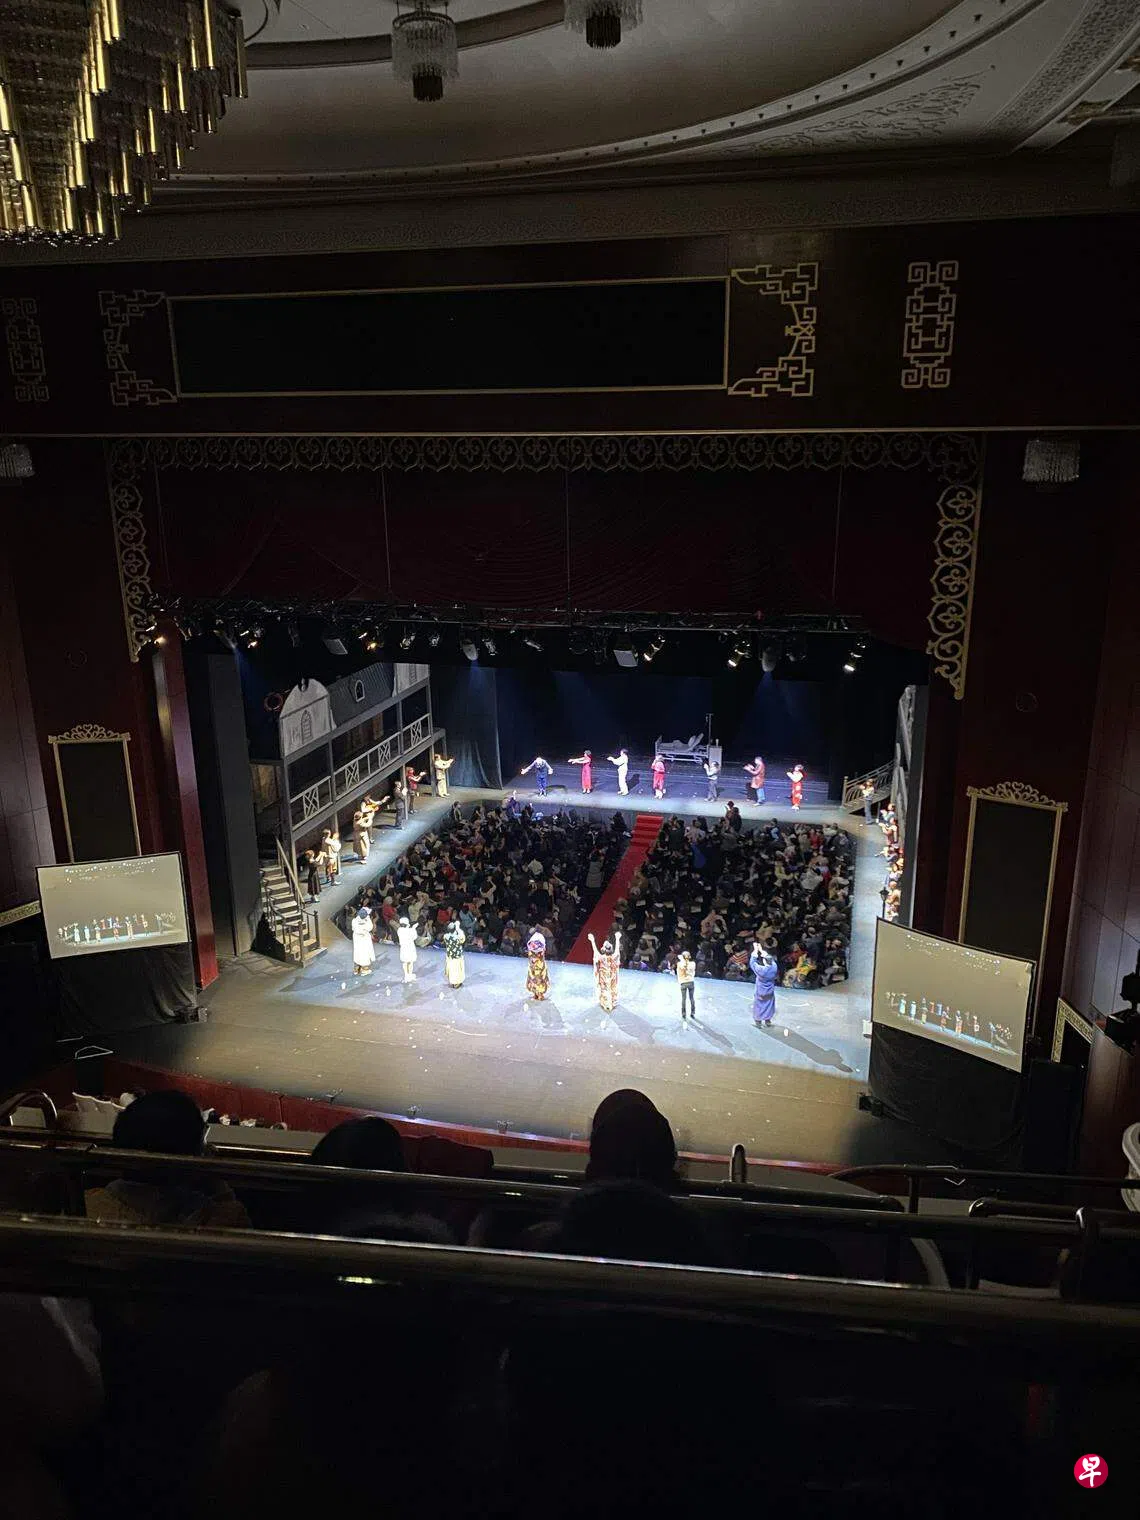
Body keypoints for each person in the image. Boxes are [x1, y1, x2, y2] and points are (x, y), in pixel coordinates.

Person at [84, 1090, 250, 1228]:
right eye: (202, 1139)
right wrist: (213, 1176)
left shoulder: (86, 1206)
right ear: (192, 1156)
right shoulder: (223, 1219)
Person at [587, 929, 622, 1012]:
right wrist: (617, 938)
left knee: (604, 989)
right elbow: (617, 950)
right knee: (611, 988)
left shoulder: (601, 958)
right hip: (611, 978)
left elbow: (595, 950)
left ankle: (606, 1003)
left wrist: (592, 940)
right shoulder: (614, 957)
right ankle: (611, 1002)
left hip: (605, 978)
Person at [749, 942, 778, 1026]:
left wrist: (755, 950)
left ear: (764, 961)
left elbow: (752, 962)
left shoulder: (761, 970)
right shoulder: (774, 967)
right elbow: (770, 959)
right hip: (770, 990)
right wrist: (761, 950)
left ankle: (758, 1020)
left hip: (761, 991)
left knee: (759, 1005)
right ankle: (767, 1020)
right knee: (769, 1005)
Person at [350, 906, 376, 975]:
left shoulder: (354, 920)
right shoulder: (367, 921)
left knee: (358, 952)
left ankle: (357, 969)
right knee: (365, 953)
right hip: (364, 939)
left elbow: (354, 928)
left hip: (357, 939)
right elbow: (370, 927)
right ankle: (364, 970)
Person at [525, 930, 550, 1001]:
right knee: (533, 977)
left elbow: (542, 949)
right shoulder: (534, 939)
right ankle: (536, 993)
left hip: (539, 963)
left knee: (540, 977)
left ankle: (540, 993)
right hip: (534, 963)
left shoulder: (539, 938)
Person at [442, 918, 466, 987]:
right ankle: (456, 983)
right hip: (457, 956)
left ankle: (452, 981)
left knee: (452, 969)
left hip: (450, 955)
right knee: (457, 970)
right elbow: (463, 938)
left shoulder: (445, 936)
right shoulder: (457, 937)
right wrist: (458, 928)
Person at [675, 949, 696, 1021]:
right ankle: (692, 1013)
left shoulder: (679, 964)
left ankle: (683, 1014)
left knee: (683, 999)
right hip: (691, 982)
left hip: (683, 983)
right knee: (691, 998)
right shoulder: (693, 964)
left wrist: (682, 959)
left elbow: (682, 964)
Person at [396, 915, 418, 982]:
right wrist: (413, 928)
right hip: (410, 948)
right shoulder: (410, 931)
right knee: (410, 962)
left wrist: (410, 928)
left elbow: (405, 930)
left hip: (403, 948)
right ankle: (410, 975)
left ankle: (406, 975)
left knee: (405, 962)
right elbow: (414, 937)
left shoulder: (399, 930)